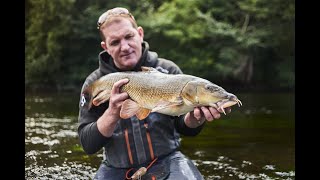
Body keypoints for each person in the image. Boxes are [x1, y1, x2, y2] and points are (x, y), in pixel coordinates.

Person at [77, 7, 231, 180]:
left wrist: (194, 120)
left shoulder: (169, 71)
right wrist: (112, 113)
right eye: (115, 42)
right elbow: (87, 144)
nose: (125, 47)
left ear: (140, 34)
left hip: (167, 161)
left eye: (129, 37)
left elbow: (185, 128)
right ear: (105, 47)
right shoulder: (94, 84)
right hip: (116, 168)